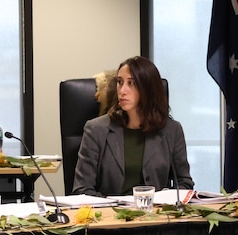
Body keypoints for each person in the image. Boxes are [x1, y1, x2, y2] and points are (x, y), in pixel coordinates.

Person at [72, 56, 194, 196]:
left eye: (131, 83)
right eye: (119, 82)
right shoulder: (96, 129)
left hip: (156, 215)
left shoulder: (171, 130)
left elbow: (184, 184)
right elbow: (82, 190)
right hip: (110, 215)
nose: (122, 90)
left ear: (148, 89)